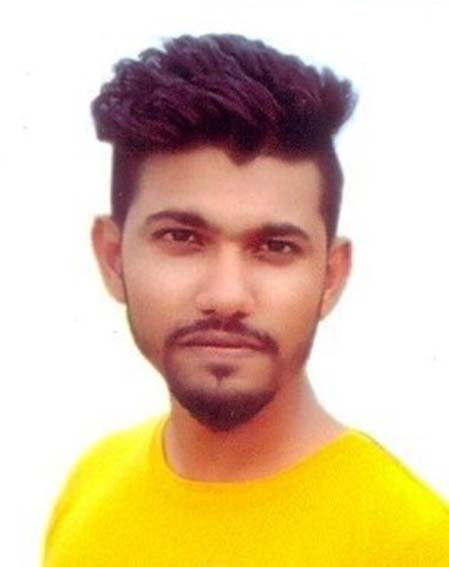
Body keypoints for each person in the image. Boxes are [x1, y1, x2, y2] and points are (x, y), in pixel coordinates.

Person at [43, 33, 449, 566]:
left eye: (275, 247)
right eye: (181, 238)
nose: (226, 296)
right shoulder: (89, 489)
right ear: (114, 258)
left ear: (331, 277)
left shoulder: (415, 543)